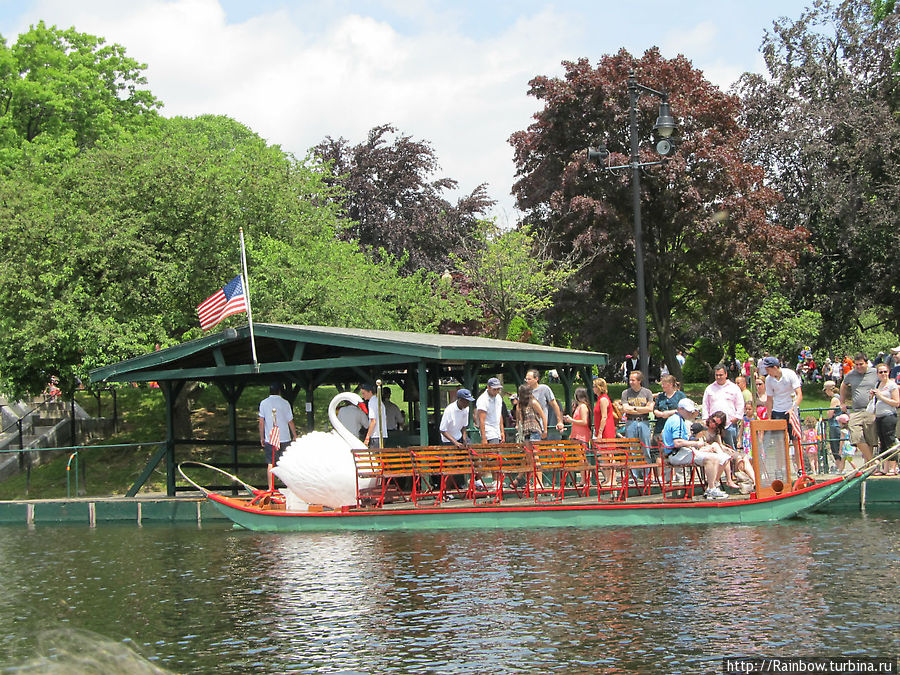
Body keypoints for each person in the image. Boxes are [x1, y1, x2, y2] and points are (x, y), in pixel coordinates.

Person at [660, 398, 730, 500]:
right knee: (712, 458)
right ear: (680, 409)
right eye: (688, 411)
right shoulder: (677, 421)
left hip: (678, 452)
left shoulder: (676, 419)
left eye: (690, 411)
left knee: (714, 457)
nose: (690, 413)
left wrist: (699, 446)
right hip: (676, 454)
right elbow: (677, 442)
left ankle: (712, 488)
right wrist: (696, 444)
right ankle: (711, 488)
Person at [839, 353, 878, 462]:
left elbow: (886, 382)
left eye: (861, 364)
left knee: (870, 439)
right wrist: (842, 402)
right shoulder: (851, 374)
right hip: (856, 411)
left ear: (866, 363)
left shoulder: (875, 372)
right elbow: (843, 385)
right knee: (856, 436)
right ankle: (872, 461)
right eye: (856, 365)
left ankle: (869, 465)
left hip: (871, 409)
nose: (859, 367)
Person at [702, 364, 745, 449]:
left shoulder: (734, 388)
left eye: (721, 375)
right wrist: (705, 419)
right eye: (716, 375)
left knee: (731, 448)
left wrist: (737, 417)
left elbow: (740, 403)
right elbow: (705, 405)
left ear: (726, 374)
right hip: (713, 425)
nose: (718, 377)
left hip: (730, 424)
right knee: (714, 449)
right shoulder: (709, 389)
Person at [763, 355, 803, 445]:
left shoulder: (790, 374)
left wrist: (793, 409)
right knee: (779, 441)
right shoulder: (768, 380)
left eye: (768, 369)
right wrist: (769, 418)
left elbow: (799, 394)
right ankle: (781, 459)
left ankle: (797, 459)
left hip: (791, 409)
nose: (767, 372)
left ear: (775, 367)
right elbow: (769, 399)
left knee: (795, 439)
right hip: (777, 411)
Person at [258, 383, 297, 465]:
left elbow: (261, 422)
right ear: (279, 391)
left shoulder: (263, 403)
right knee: (285, 463)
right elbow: (290, 421)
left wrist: (262, 437)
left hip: (270, 438)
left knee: (270, 464)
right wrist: (295, 435)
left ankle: (270, 478)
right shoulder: (285, 403)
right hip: (284, 438)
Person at [871, 363, 899, 475]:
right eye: (880, 372)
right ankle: (885, 468)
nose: (883, 374)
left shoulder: (892, 385)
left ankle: (893, 467)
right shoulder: (878, 385)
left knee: (890, 440)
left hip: (889, 415)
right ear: (877, 374)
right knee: (882, 442)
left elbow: (896, 402)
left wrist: (881, 397)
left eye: (885, 372)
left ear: (888, 372)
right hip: (879, 416)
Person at [621, 370, 654, 464]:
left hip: (644, 422)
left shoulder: (647, 392)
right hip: (631, 422)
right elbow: (625, 409)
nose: (631, 382)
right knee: (632, 449)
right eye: (630, 380)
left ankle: (647, 474)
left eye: (633, 380)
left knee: (646, 448)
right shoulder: (625, 393)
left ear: (639, 381)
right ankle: (633, 476)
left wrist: (634, 408)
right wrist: (642, 408)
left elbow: (650, 408)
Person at [524, 369, 565, 438]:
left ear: (536, 379)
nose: (527, 381)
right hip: (527, 428)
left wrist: (559, 421)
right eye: (526, 379)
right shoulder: (524, 391)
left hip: (540, 427)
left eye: (529, 379)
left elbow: (554, 404)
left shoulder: (544, 389)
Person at [653, 374, 685, 456]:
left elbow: (684, 409)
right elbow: (655, 409)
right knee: (659, 453)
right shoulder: (660, 396)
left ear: (670, 384)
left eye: (664, 384)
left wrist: (670, 413)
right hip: (660, 426)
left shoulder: (680, 395)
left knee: (675, 453)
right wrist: (661, 414)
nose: (662, 386)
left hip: (675, 428)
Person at [475, 378, 506, 444]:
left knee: (498, 453)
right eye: (494, 389)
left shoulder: (498, 397)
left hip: (497, 431)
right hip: (489, 433)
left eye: (498, 389)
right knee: (493, 453)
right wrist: (484, 438)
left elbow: (499, 414)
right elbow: (481, 420)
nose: (497, 391)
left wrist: (502, 431)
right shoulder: (482, 400)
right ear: (488, 387)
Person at [823, 381, 843, 472]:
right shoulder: (839, 397)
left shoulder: (834, 399)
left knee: (835, 446)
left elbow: (830, 414)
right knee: (838, 446)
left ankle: (839, 468)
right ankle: (839, 467)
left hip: (835, 425)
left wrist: (827, 413)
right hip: (838, 425)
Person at [359, 383, 388, 449]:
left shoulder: (371, 402)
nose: (363, 396)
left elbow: (373, 421)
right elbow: (385, 419)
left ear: (370, 392)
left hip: (376, 436)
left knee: (374, 458)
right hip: (383, 434)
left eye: (364, 393)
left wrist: (367, 437)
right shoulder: (379, 401)